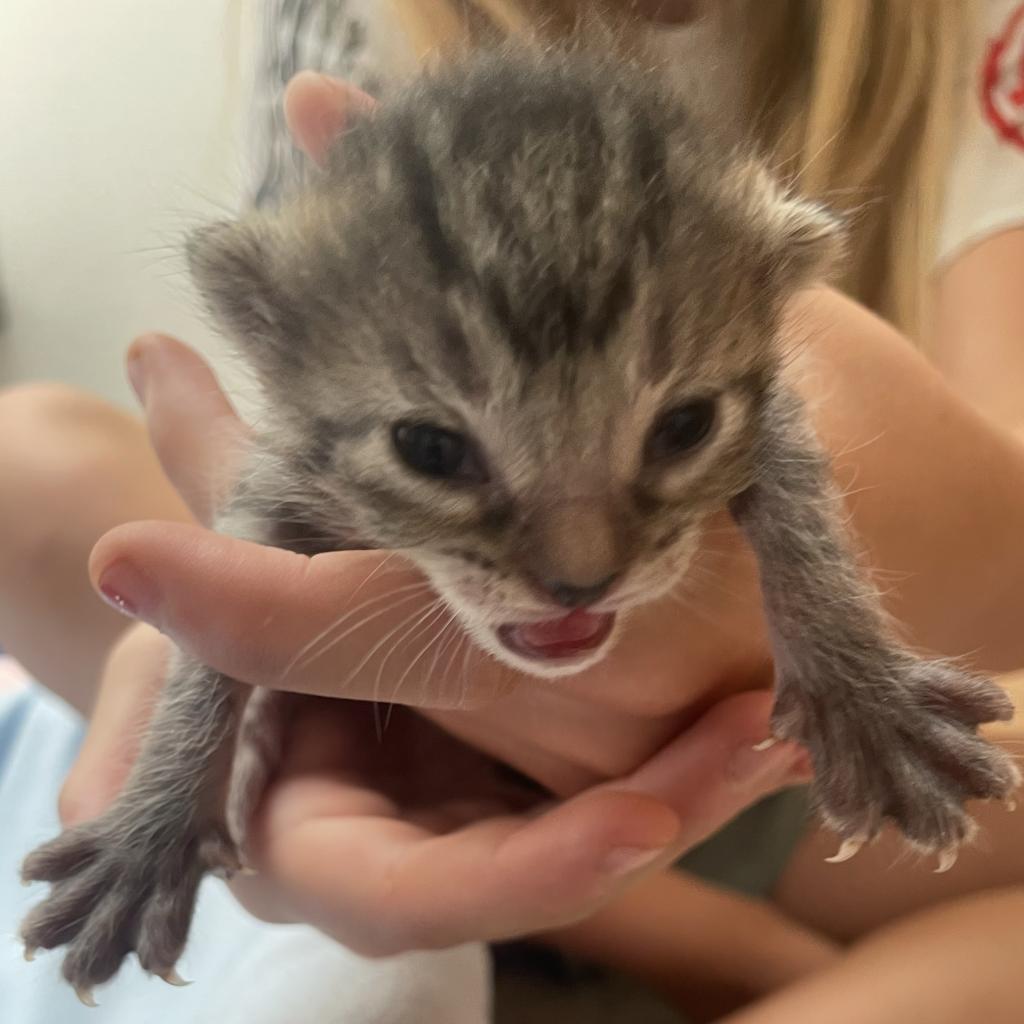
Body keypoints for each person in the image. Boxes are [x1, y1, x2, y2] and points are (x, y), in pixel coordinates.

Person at [4, 1, 1024, 1021]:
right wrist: (179, 775)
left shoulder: (968, 31)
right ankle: (690, 935)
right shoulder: (357, 22)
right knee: (29, 465)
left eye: (672, 429)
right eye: (439, 447)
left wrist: (862, 652)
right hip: (413, 728)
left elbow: (785, 437)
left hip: (770, 778)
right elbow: (270, 494)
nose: (579, 564)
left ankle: (704, 929)